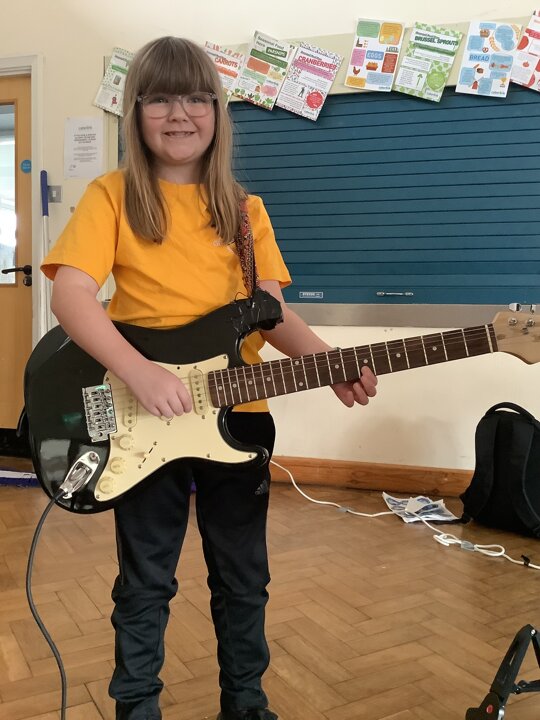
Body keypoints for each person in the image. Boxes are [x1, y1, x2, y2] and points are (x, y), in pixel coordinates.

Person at [41, 36, 378, 720]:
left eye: (197, 98)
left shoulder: (246, 212)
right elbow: (71, 295)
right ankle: (137, 707)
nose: (180, 114)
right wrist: (136, 371)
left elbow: (270, 315)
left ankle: (245, 706)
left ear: (218, 112)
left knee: (244, 578)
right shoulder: (112, 196)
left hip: (239, 416)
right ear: (135, 112)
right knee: (146, 580)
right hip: (141, 415)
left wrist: (329, 363)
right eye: (160, 99)